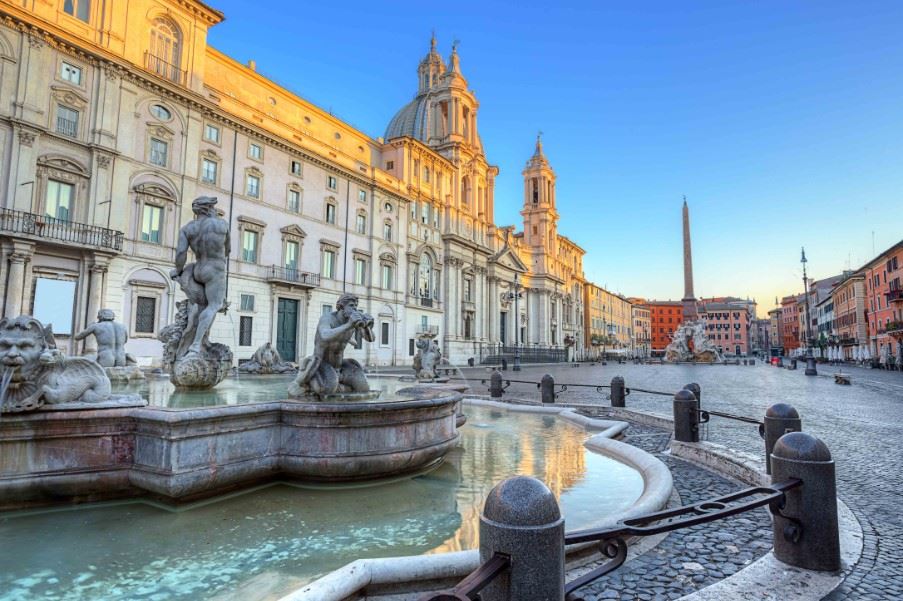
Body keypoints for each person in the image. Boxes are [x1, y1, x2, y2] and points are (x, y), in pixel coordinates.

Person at [169, 196, 230, 358]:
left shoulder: (188, 228)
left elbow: (181, 253)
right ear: (210, 208)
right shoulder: (222, 225)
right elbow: (228, 250)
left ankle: (194, 342)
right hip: (215, 270)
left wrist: (178, 270)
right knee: (214, 305)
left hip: (197, 269)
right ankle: (195, 346)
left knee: (202, 306)